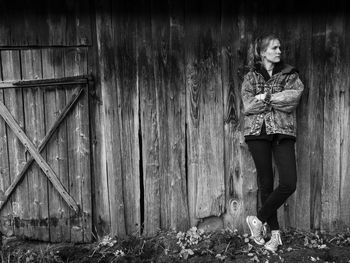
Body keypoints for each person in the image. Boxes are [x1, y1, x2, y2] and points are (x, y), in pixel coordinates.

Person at [241, 34, 304, 252]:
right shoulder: (250, 77)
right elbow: (248, 107)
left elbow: (293, 98)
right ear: (262, 52)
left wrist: (265, 97)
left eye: (280, 47)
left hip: (282, 132)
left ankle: (257, 220)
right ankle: (274, 236)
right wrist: (274, 100)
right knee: (266, 183)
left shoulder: (289, 74)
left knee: (288, 182)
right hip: (257, 132)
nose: (279, 51)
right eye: (274, 48)